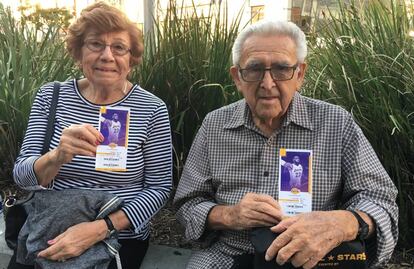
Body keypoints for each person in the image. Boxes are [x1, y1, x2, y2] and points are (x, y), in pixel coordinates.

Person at [173, 20, 398, 269]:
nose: (267, 83)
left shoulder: (335, 123)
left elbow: (380, 200)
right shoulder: (214, 125)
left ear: (299, 74)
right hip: (229, 256)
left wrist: (342, 223)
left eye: (281, 69)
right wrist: (230, 215)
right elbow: (187, 205)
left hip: (310, 259)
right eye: (255, 69)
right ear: (238, 77)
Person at [13, 2, 172, 269]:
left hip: (119, 234)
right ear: (78, 53)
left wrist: (101, 228)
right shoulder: (51, 96)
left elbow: (159, 188)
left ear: (131, 58)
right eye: (96, 44)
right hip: (51, 226)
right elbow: (22, 177)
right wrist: (57, 156)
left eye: (119, 47)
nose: (107, 56)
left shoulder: (151, 109)